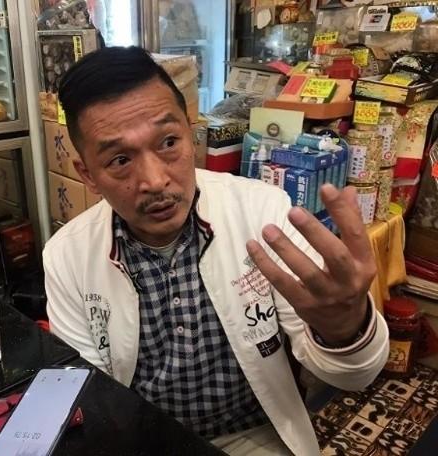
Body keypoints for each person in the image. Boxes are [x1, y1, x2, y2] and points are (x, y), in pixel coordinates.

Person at [43, 46, 389, 455]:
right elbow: (90, 395)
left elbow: (354, 376)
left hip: (253, 435)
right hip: (140, 442)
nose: (154, 180)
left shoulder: (263, 212)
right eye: (120, 160)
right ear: (88, 175)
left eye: (168, 142)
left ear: (191, 134)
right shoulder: (67, 256)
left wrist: (346, 328)